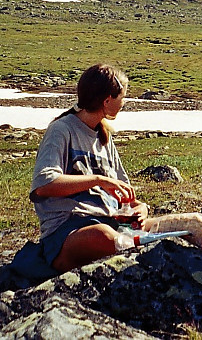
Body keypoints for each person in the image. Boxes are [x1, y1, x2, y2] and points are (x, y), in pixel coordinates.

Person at [30, 63, 148, 272]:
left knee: (187, 224)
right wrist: (98, 180)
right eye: (122, 97)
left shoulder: (104, 137)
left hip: (109, 222)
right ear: (107, 100)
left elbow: (123, 196)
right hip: (66, 232)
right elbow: (44, 184)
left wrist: (141, 208)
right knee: (104, 236)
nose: (124, 103)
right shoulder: (61, 130)